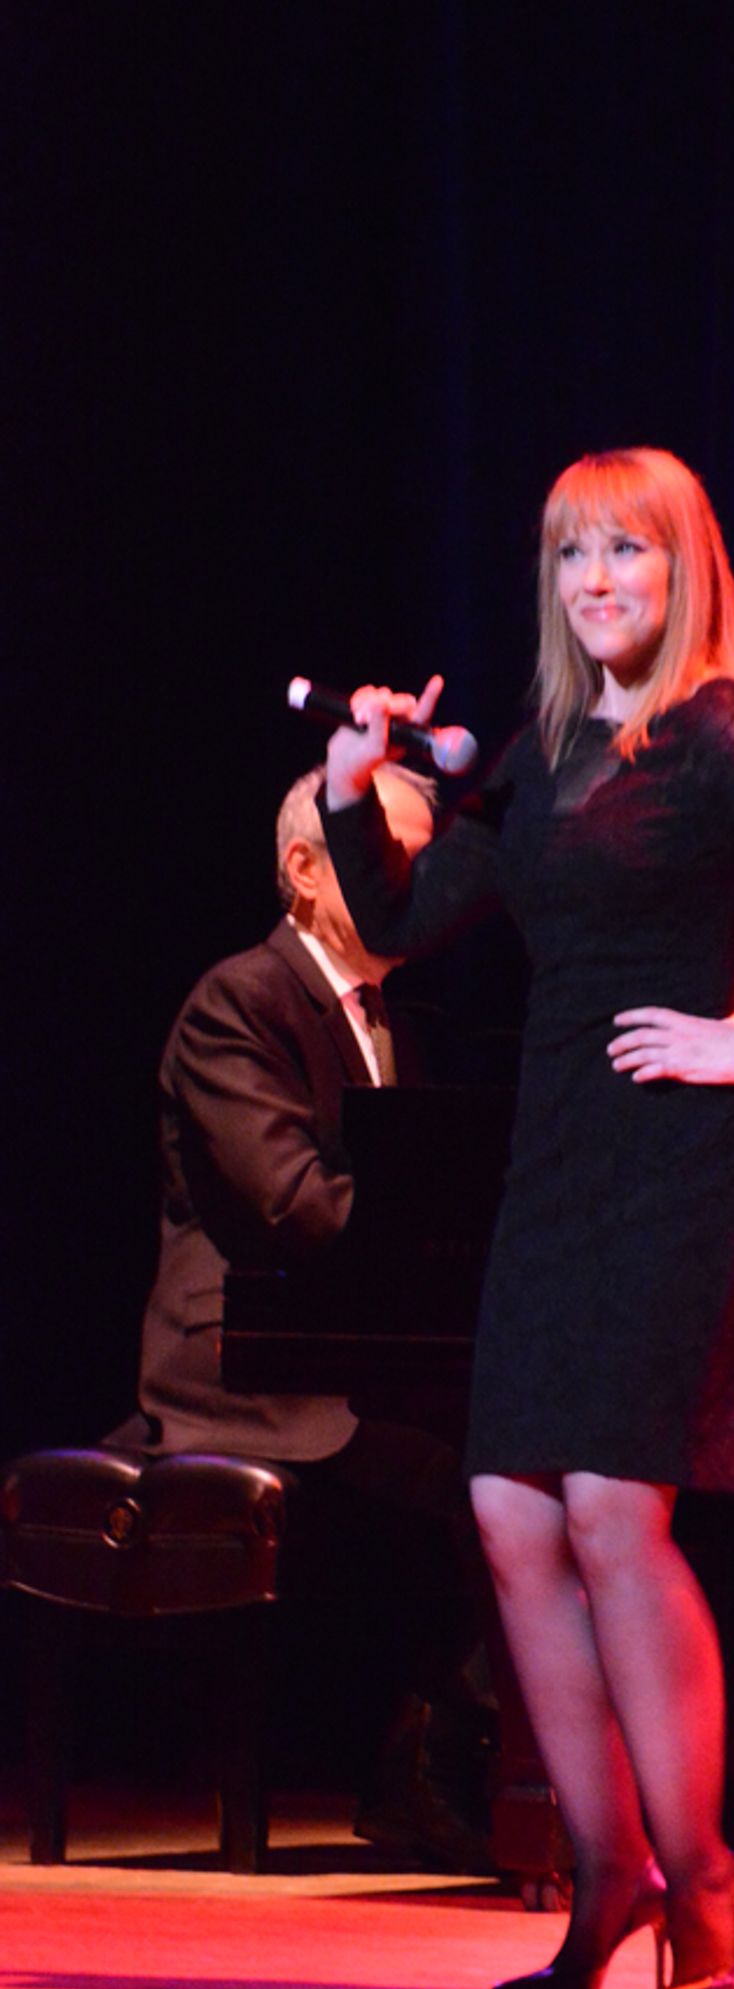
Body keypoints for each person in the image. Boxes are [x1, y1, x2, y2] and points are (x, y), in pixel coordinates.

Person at [319, 445, 734, 1989]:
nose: (598, 586)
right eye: (574, 560)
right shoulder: (556, 742)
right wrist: (350, 798)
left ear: (682, 571)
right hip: (561, 1156)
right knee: (510, 1515)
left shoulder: (718, 729)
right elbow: (407, 921)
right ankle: (612, 1872)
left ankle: (707, 1882)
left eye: (627, 555)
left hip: (687, 1157)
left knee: (616, 1515)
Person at [109, 763, 494, 1872]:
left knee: (540, 1452)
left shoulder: (393, 1021)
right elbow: (294, 1206)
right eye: (394, 858)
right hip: (239, 1374)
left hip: (349, 1362)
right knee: (482, 1480)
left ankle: (444, 1753)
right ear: (303, 868)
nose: (417, 885)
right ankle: (431, 1765)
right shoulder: (238, 1001)